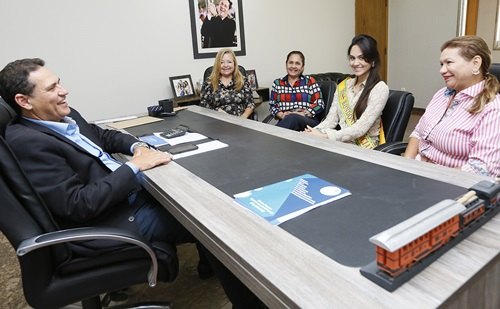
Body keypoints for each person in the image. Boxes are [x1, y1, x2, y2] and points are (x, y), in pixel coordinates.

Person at [0, 58, 264, 308]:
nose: (64, 91)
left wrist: (137, 146)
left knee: (206, 190)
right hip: (112, 221)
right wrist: (134, 166)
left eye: (59, 82)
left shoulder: (63, 117)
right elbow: (78, 205)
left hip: (124, 196)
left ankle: (209, 266)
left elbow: (102, 135)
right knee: (215, 223)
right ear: (24, 101)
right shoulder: (27, 142)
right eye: (52, 88)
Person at [404, 35, 500, 177]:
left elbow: (482, 169)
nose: (442, 70)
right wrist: (407, 165)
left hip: (452, 184)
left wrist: (431, 173)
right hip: (418, 173)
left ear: (476, 63)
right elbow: (418, 133)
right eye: (441, 64)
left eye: (449, 62)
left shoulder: (492, 108)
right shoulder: (441, 94)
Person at [304, 35, 389, 149]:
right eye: (352, 58)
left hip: (364, 148)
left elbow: (360, 129)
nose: (355, 63)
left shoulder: (380, 88)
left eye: (361, 58)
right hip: (342, 143)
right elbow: (330, 121)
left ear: (373, 61)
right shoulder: (344, 85)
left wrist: (325, 136)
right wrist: (313, 132)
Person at [269, 51, 325, 131]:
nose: (293, 66)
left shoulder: (310, 81)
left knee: (293, 118)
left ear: (302, 67)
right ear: (286, 64)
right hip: (286, 121)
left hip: (308, 121)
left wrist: (303, 114)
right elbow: (273, 106)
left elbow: (320, 103)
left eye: (297, 63)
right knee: (290, 119)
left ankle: (271, 137)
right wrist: (282, 115)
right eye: (290, 62)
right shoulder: (278, 83)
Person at [200, 48, 255, 118]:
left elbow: (250, 103)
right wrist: (217, 112)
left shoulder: (243, 81)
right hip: (217, 123)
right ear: (217, 65)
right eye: (222, 62)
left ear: (234, 64)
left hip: (240, 122)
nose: (226, 65)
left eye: (229, 62)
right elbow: (203, 107)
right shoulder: (209, 83)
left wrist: (243, 117)